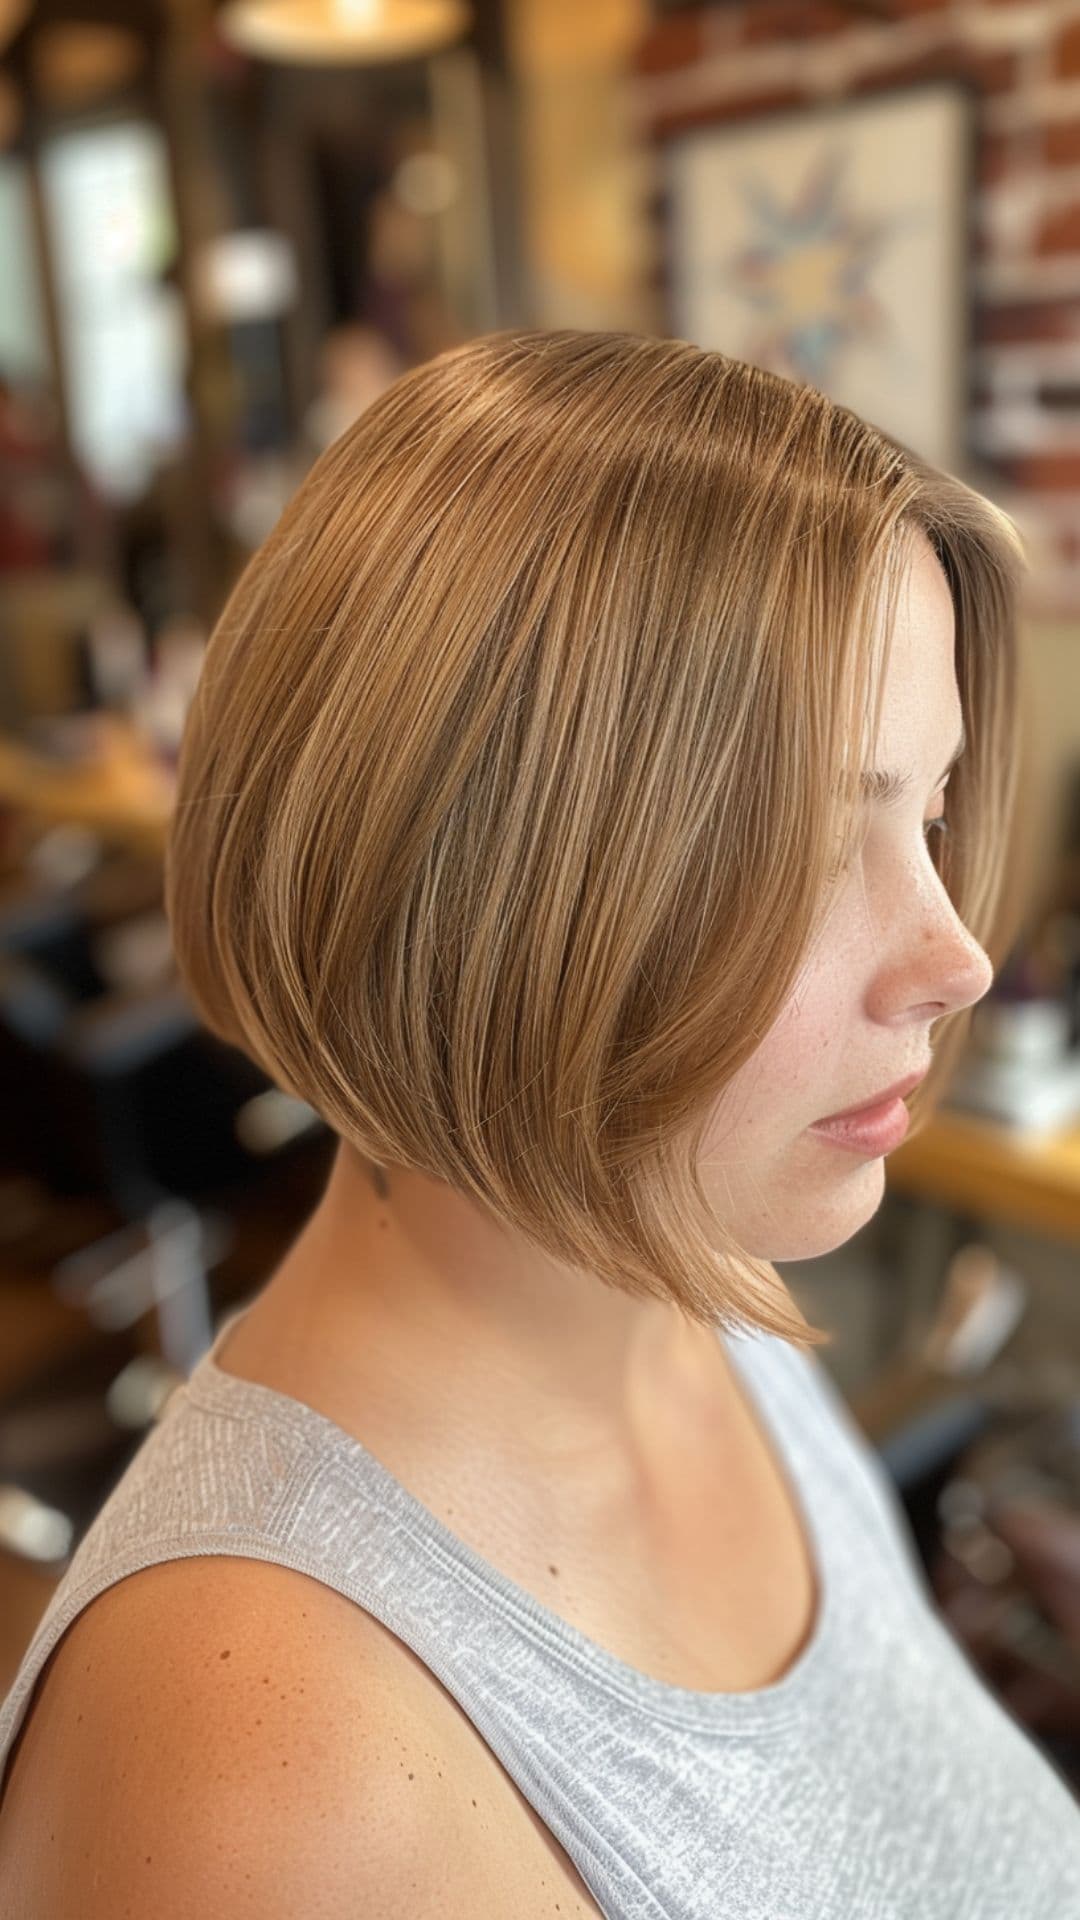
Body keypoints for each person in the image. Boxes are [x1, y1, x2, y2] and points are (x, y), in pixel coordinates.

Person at [1, 327, 1078, 1916]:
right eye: (803, 846)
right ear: (482, 889)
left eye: (927, 812)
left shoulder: (693, 1294)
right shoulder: (270, 1788)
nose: (957, 957)